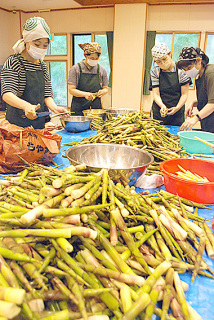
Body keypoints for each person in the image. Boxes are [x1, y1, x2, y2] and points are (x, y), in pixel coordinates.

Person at [1, 16, 67, 130]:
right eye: (37, 44)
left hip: (38, 125)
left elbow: (47, 95)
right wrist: (26, 106)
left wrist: (55, 108)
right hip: (17, 126)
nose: (41, 48)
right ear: (26, 41)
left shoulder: (42, 66)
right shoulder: (14, 62)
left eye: (45, 45)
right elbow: (7, 94)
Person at [150, 42, 191, 126]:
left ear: (170, 54)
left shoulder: (181, 71)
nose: (162, 63)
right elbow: (156, 94)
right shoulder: (155, 72)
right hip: (159, 112)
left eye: (164, 59)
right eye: (158, 62)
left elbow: (184, 94)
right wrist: (162, 106)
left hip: (177, 113)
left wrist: (177, 107)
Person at [177, 47, 214, 133]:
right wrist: (194, 103)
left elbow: (212, 103)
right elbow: (208, 98)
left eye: (189, 68)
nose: (187, 72)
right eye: (184, 70)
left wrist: (196, 118)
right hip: (208, 122)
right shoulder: (200, 76)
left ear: (198, 61)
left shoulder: (210, 74)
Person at [68, 42, 108, 116]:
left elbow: (105, 88)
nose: (94, 60)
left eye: (96, 58)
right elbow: (71, 90)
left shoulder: (101, 70)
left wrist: (103, 92)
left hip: (95, 109)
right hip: (78, 109)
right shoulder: (76, 69)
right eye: (92, 58)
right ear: (85, 55)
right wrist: (85, 94)